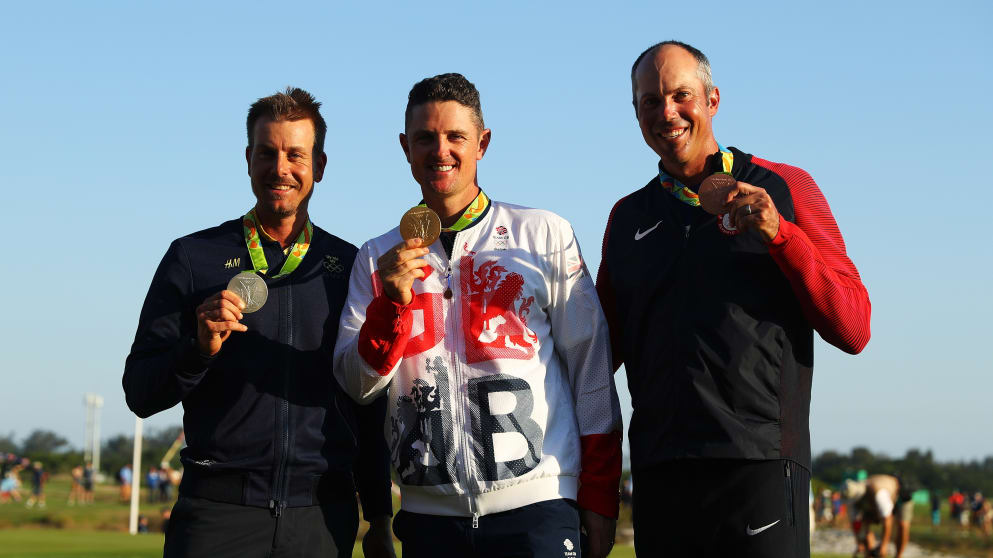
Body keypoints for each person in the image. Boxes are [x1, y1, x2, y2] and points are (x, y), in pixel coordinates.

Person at [597, 40, 872, 558]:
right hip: (660, 472)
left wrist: (781, 235)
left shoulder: (785, 187)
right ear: (635, 113)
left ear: (713, 99)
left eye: (681, 95)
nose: (667, 112)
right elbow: (596, 355)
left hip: (760, 463)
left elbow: (854, 326)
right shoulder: (627, 216)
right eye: (650, 101)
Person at [333, 73, 623, 558]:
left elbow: (590, 372)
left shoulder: (543, 234)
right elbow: (357, 384)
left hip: (538, 507)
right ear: (405, 147)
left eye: (456, 137)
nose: (440, 151)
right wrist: (391, 306)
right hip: (429, 518)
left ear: (482, 143)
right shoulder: (376, 257)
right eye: (425, 138)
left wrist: (598, 495)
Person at [123, 87, 395, 558]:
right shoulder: (193, 257)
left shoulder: (350, 266)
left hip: (321, 519)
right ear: (248, 159)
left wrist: (379, 516)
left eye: (295, 155)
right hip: (216, 515)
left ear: (320, 166)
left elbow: (368, 401)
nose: (280, 168)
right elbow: (140, 393)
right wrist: (198, 349)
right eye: (267, 153)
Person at [844, 476, 913, 558]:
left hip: (900, 497)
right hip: (873, 502)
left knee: (903, 525)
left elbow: (888, 520)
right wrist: (859, 543)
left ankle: (899, 555)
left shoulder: (880, 494)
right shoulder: (851, 498)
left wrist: (884, 545)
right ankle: (870, 554)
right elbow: (856, 523)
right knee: (864, 523)